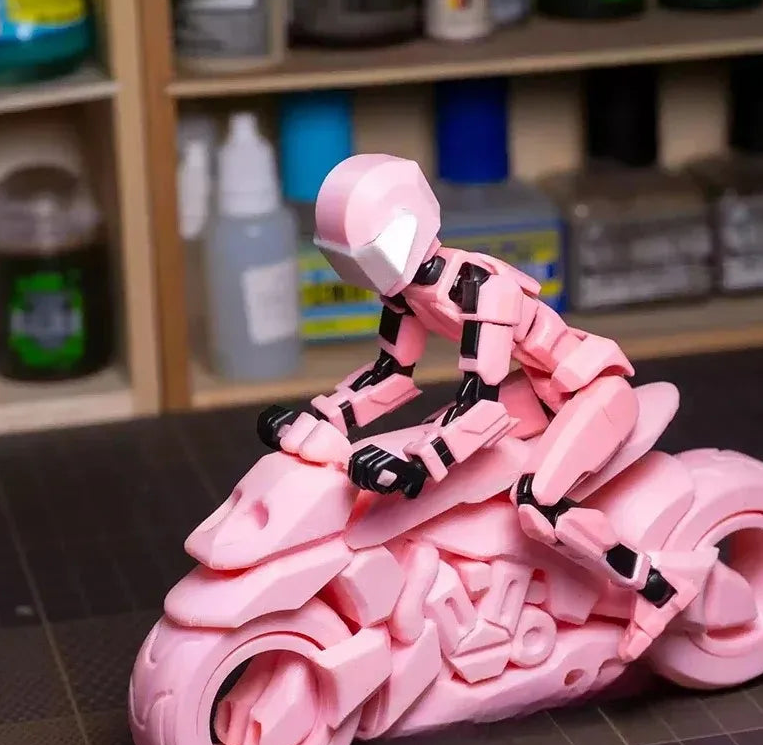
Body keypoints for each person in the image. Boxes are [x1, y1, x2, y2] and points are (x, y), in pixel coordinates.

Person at [257, 154, 703, 662]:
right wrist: (315, 420)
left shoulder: (481, 289)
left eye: (360, 255)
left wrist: (417, 467)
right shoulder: (406, 296)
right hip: (539, 389)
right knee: (434, 433)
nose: (355, 269)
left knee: (536, 504)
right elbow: (389, 375)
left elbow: (480, 404)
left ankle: (658, 587)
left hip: (592, 391)